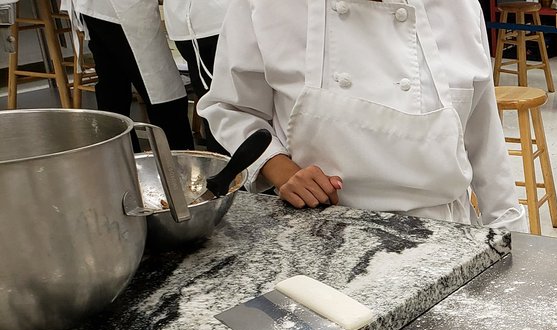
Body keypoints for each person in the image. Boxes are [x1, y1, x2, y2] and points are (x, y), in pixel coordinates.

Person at [197, 0, 524, 230]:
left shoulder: (459, 8)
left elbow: (484, 141)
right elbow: (232, 108)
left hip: (444, 233)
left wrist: (511, 236)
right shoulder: (266, 6)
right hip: (317, 228)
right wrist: (279, 167)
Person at [66, 0, 195, 150]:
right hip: (120, 9)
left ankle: (124, 164)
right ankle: (178, 165)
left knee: (114, 88)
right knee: (161, 91)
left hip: (101, 8)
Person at [164, 0, 231, 153]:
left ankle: (223, 167)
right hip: (211, 22)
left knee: (215, 106)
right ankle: (228, 169)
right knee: (226, 109)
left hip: (193, 25)